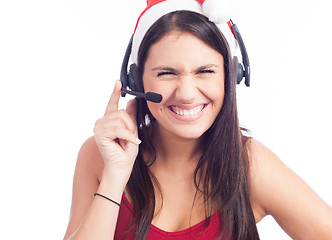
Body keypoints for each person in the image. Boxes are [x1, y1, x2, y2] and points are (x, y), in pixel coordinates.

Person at [63, 0, 332, 239]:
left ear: (230, 77)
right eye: (166, 73)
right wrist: (115, 174)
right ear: (136, 80)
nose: (187, 94)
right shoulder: (100, 156)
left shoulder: (251, 165)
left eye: (205, 71)